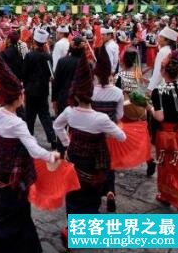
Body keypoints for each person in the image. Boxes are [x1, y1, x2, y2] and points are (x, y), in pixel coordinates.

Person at [0, 54, 60, 253]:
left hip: (2, 168)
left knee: (9, 208)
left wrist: (5, 146)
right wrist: (52, 156)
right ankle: (2, 245)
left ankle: (16, 245)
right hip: (17, 173)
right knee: (16, 209)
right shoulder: (17, 123)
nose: (23, 95)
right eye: (21, 93)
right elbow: (33, 148)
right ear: (18, 98)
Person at [53, 55, 125, 247]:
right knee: (92, 196)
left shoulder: (69, 112)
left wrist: (67, 143)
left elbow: (57, 126)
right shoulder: (101, 119)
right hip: (95, 161)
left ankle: (72, 231)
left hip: (74, 157)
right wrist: (105, 130)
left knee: (74, 194)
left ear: (75, 94)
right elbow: (121, 136)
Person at [149, 50, 178, 210]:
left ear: (163, 72)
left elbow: (159, 117)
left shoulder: (159, 91)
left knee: (165, 164)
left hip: (166, 132)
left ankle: (167, 195)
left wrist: (149, 108)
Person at [91, 47, 124, 213]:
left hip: (93, 133)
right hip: (109, 133)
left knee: (95, 166)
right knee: (109, 164)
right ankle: (110, 191)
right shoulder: (118, 93)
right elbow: (119, 115)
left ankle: (95, 197)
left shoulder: (91, 92)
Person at [22, 28, 55, 146]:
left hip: (30, 90)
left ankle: (28, 140)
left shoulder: (30, 56)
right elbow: (51, 74)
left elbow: (24, 73)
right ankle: (52, 139)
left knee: (29, 116)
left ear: (34, 42)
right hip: (43, 89)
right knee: (45, 115)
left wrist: (25, 84)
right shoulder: (47, 57)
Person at [52, 37, 85, 116]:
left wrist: (54, 99)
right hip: (80, 99)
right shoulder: (86, 64)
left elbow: (56, 82)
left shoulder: (62, 61)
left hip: (64, 97)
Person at [147, 26, 178, 95]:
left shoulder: (163, 51)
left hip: (158, 86)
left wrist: (150, 88)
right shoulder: (167, 50)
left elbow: (158, 71)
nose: (158, 37)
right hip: (162, 83)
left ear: (167, 40)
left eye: (161, 37)